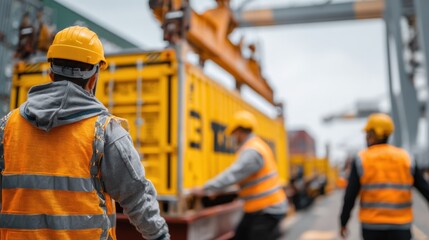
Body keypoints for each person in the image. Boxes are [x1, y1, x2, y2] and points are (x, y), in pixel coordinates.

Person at [0, 26, 169, 240]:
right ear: (93, 78)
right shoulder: (104, 131)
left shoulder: (8, 126)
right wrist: (159, 236)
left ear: (51, 73)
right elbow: (137, 196)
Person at [192, 111, 287, 240]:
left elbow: (233, 174)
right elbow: (244, 179)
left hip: (267, 209)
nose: (233, 137)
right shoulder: (254, 145)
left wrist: (206, 188)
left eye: (233, 133)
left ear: (240, 131)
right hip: (258, 208)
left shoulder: (252, 151)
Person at [339, 113, 429, 240]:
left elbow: (350, 196)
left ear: (373, 135)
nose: (366, 137)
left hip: (372, 227)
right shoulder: (406, 158)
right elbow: (426, 190)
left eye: (368, 134)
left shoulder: (362, 159)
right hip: (401, 226)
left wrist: (343, 222)